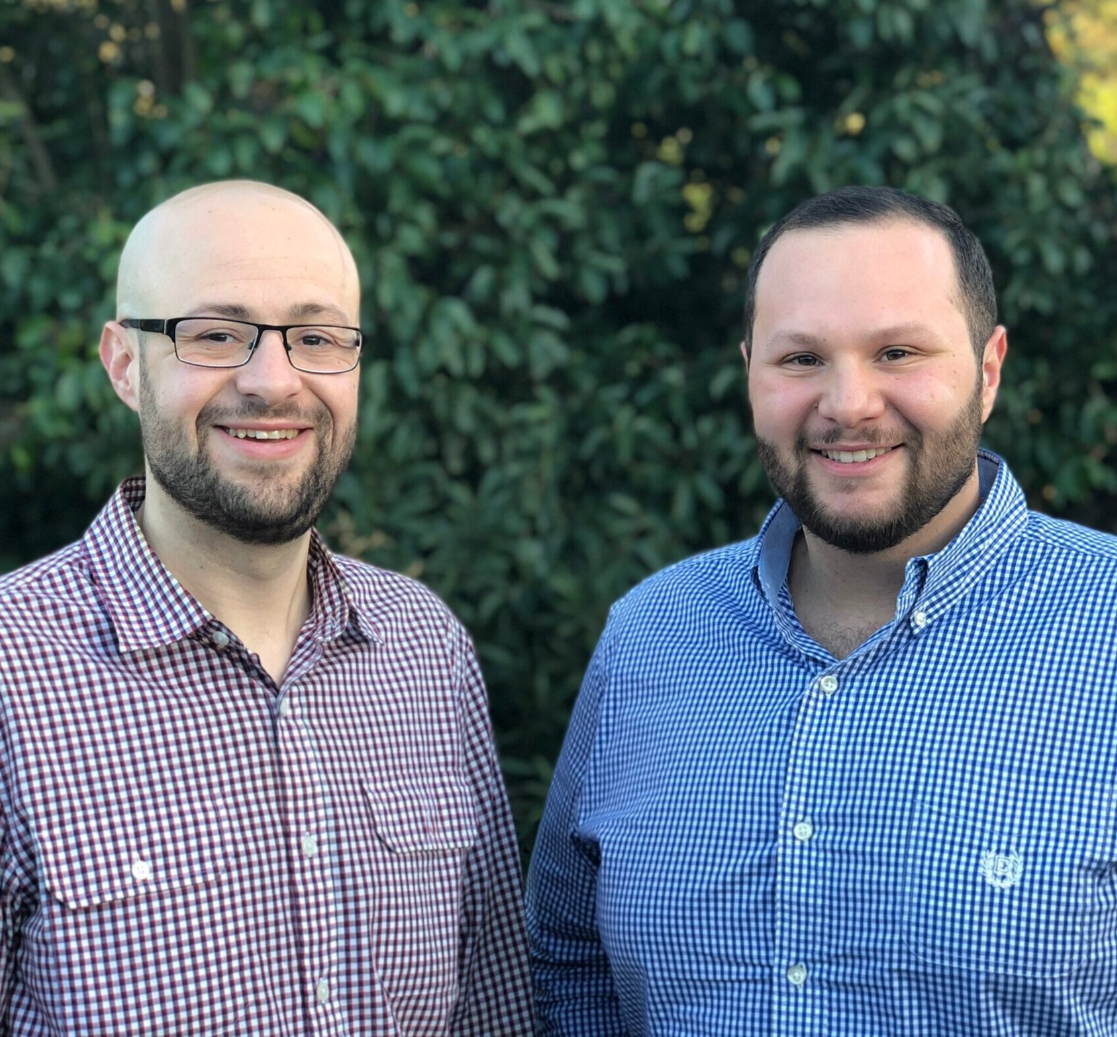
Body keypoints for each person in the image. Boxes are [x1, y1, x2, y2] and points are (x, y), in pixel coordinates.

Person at [526, 185, 1117, 1035]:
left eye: (897, 352)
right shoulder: (650, 634)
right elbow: (568, 960)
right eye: (800, 359)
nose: (847, 404)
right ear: (749, 374)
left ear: (987, 370)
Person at [0, 180, 534, 1035]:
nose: (273, 380)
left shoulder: (425, 648)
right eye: (215, 334)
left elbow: (494, 1009)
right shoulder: (13, 669)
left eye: (316, 337)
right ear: (124, 364)